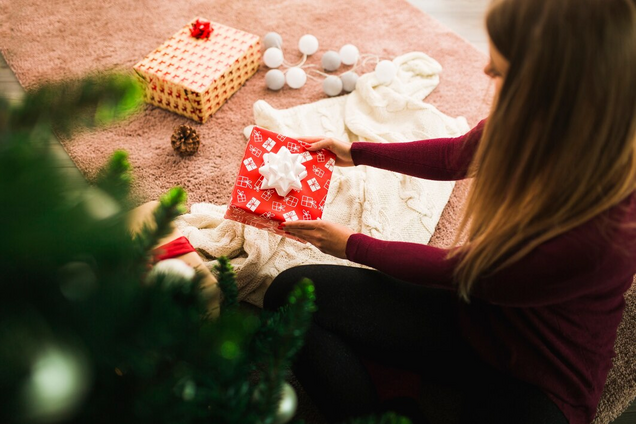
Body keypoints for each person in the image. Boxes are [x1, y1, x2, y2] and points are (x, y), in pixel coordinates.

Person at [262, 0, 636, 423]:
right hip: (471, 318)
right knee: (289, 296)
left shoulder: (611, 227)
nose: (485, 72)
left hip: (540, 374)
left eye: (499, 68)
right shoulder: (536, 118)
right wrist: (357, 152)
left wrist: (350, 243)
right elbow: (456, 157)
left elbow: (469, 271)